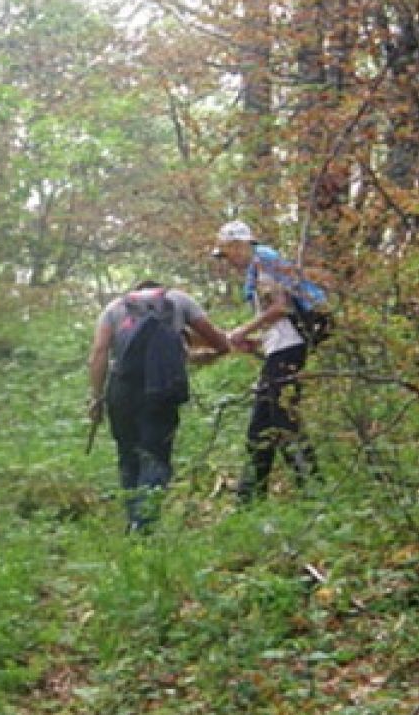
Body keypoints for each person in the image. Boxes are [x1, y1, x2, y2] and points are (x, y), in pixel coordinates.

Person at [87, 279, 231, 531]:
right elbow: (217, 341)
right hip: (162, 389)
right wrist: (213, 352)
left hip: (122, 389)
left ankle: (134, 519)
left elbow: (99, 353)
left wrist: (96, 398)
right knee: (156, 456)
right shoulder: (179, 301)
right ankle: (145, 524)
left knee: (128, 455)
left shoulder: (114, 308)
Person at [215, 220, 318, 502]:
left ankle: (313, 488)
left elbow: (280, 307)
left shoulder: (263, 263)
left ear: (240, 245)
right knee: (260, 425)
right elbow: (280, 321)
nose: (228, 260)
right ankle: (250, 498)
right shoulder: (258, 267)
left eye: (228, 252)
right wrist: (257, 342)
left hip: (289, 348)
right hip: (282, 347)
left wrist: (242, 331)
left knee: (283, 419)